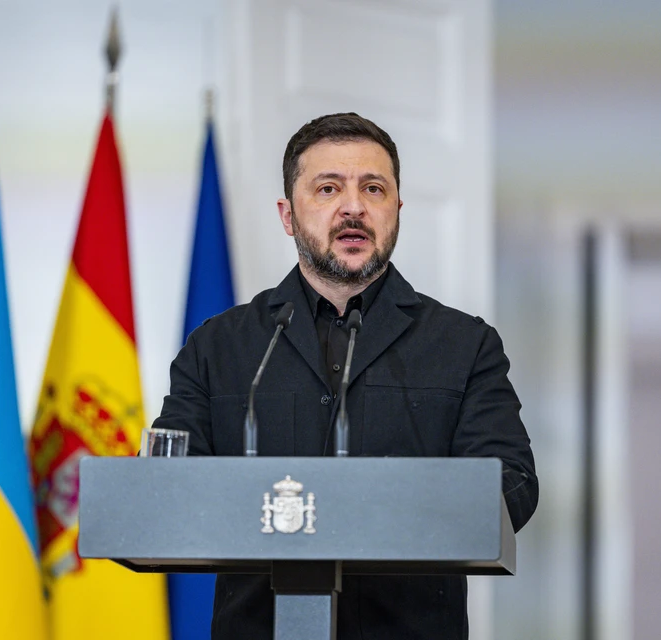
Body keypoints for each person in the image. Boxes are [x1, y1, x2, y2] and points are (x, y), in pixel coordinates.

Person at [152, 112, 537, 640]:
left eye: (373, 189)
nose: (353, 207)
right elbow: (166, 492)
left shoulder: (465, 345)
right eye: (328, 188)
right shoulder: (218, 347)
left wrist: (390, 510)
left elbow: (512, 483)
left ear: (396, 210)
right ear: (288, 215)